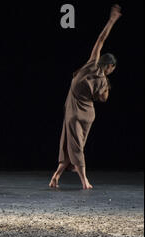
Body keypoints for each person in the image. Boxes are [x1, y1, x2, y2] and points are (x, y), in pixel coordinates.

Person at [49, 4, 122, 190]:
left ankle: (71, 178)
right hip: (84, 114)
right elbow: (104, 99)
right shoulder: (102, 78)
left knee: (73, 146)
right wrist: (104, 86)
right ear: (110, 66)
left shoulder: (91, 64)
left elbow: (101, 39)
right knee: (72, 146)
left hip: (76, 113)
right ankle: (70, 179)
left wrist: (111, 20)